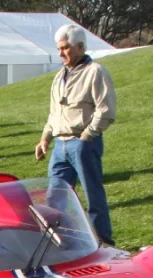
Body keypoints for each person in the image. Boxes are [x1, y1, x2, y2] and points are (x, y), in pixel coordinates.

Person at [34, 24, 116, 245]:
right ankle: (54, 244)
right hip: (60, 146)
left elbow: (106, 110)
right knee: (54, 198)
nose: (61, 53)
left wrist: (87, 136)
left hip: (82, 143)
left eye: (65, 48)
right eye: (59, 49)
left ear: (80, 47)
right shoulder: (59, 76)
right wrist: (45, 139)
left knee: (93, 196)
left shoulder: (95, 72)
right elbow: (54, 112)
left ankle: (103, 242)